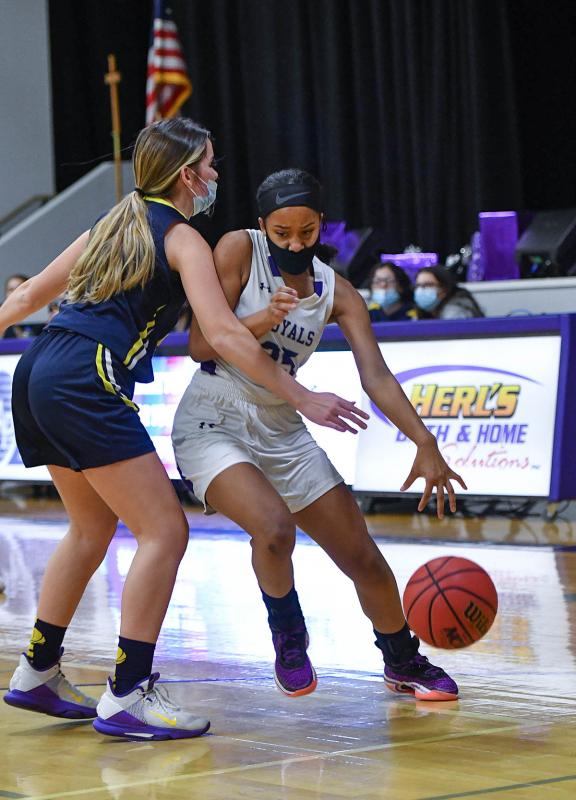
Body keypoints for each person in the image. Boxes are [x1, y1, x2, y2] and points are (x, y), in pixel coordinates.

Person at [0, 121, 367, 741]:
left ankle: (38, 669)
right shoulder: (185, 239)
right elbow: (221, 336)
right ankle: (129, 691)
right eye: (210, 164)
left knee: (91, 529)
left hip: (38, 367)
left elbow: (30, 294)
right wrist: (304, 396)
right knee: (165, 531)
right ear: (186, 174)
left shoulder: (112, 223)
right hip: (86, 373)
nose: (217, 175)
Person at [172, 168, 467, 703]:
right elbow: (198, 343)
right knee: (273, 528)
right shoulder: (238, 249)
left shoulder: (339, 291)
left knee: (363, 558)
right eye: (282, 233)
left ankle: (401, 659)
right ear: (263, 225)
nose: (294, 243)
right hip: (213, 414)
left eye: (306, 232)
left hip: (282, 423)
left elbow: (374, 375)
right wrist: (264, 317)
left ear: (320, 225)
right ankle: (289, 635)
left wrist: (424, 442)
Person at [414, 265, 484, 319]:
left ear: (444, 289)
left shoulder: (455, 313)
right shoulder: (426, 313)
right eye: (418, 285)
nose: (421, 290)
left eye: (428, 285)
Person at [2, 274, 42, 338]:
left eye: (18, 288)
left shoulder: (42, 315)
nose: (14, 293)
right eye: (10, 289)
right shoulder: (2, 314)